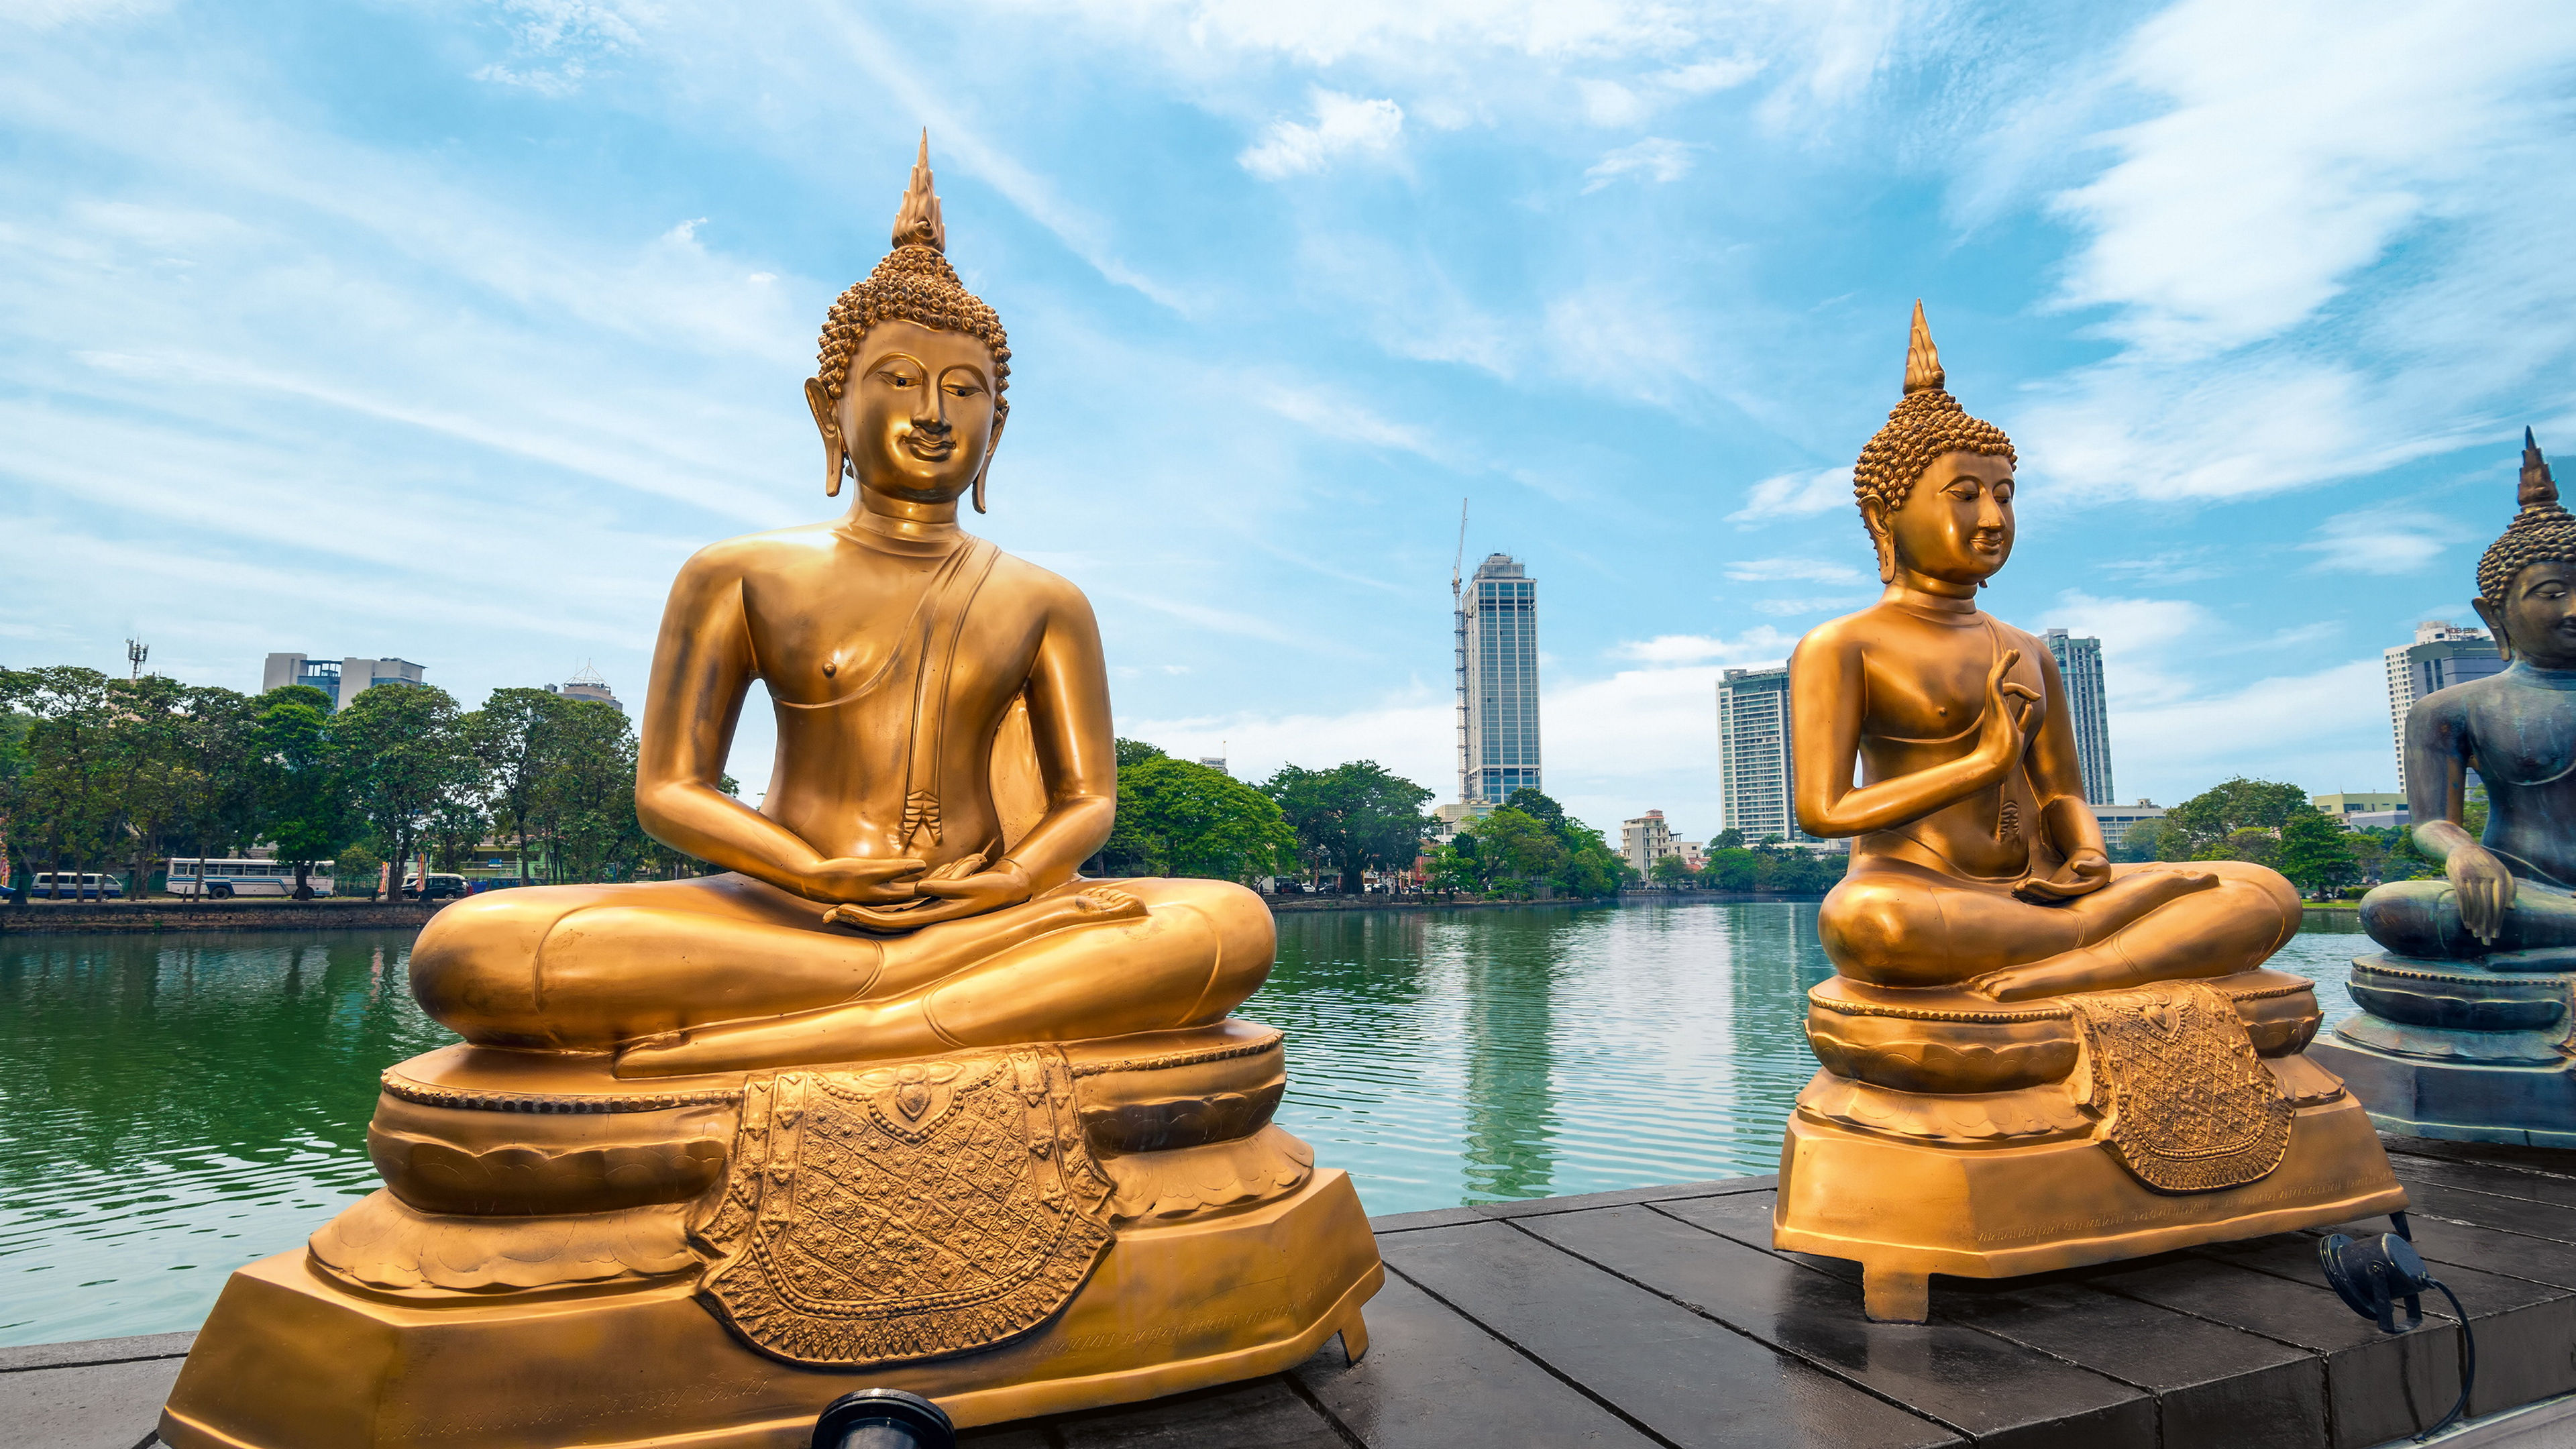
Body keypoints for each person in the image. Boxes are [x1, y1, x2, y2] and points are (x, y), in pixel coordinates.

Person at [409, 139, 1269, 1077]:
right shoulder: (737, 573)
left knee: (1227, 924)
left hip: (990, 911)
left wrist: (1011, 884)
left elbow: (1086, 802)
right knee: (471, 951)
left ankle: (834, 1029)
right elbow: (669, 791)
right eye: (899, 379)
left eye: (965, 389)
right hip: (786, 914)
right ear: (830, 411)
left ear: (999, 428)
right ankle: (945, 1007)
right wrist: (808, 872)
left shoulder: (1046, 600)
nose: (935, 410)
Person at [1790, 305, 2299, 1008]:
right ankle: (2124, 938)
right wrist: (1983, 764)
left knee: (2265, 891)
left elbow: (2061, 792)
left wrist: (2089, 854)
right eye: (1964, 497)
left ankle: (2081, 965)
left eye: (2004, 495)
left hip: (2041, 890)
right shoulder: (1843, 645)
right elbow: (1824, 809)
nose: (1993, 519)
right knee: (1867, 927)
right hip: (1920, 889)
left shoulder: (2027, 650)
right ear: (1885, 517)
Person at [2361, 431, 2576, 961]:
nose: (2574, 610)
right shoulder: (2452, 709)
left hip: (2536, 918)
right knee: (2389, 908)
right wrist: (2463, 852)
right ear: (2494, 615)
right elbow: (2433, 822)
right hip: (2517, 890)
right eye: (2552, 594)